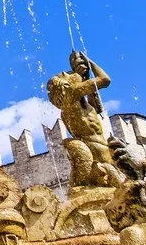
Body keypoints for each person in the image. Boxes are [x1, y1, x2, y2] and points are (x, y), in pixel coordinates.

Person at [46, 51, 114, 187]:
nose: (71, 73)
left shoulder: (75, 104)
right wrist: (89, 61)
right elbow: (105, 80)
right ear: (65, 85)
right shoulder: (71, 94)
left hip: (102, 150)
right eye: (66, 74)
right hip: (97, 153)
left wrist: (86, 76)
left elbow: (97, 108)